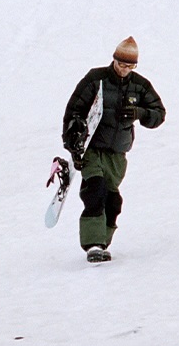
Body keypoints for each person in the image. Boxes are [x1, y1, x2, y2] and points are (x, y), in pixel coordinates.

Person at [62, 36, 165, 262]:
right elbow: (73, 111)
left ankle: (103, 242)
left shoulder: (140, 86)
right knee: (94, 191)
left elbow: (159, 114)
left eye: (130, 66)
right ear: (114, 60)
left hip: (117, 154)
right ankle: (93, 245)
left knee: (112, 201)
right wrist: (73, 146)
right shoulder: (95, 79)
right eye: (121, 64)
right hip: (92, 148)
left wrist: (140, 113)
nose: (124, 69)